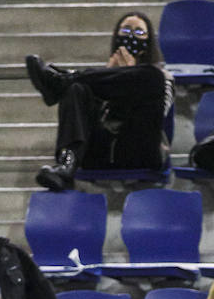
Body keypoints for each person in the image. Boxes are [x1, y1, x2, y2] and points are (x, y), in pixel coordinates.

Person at [26, 11, 174, 191]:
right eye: (126, 31)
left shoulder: (162, 77)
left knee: (151, 75)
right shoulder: (100, 79)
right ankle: (67, 165)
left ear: (149, 40)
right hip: (100, 151)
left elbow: (157, 116)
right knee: (77, 89)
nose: (131, 36)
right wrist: (111, 75)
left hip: (139, 148)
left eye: (139, 32)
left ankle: (62, 80)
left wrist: (128, 76)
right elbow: (93, 119)